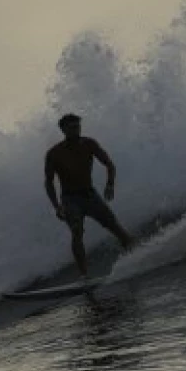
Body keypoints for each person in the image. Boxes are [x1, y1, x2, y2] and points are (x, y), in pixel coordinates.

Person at [45, 113, 132, 277]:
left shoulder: (89, 144)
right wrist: (57, 206)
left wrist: (110, 184)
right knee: (77, 232)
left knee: (115, 227)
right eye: (71, 128)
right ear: (63, 130)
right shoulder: (54, 154)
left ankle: (137, 255)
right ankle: (84, 276)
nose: (76, 130)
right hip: (70, 199)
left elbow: (109, 165)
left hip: (90, 196)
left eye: (77, 126)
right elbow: (49, 182)